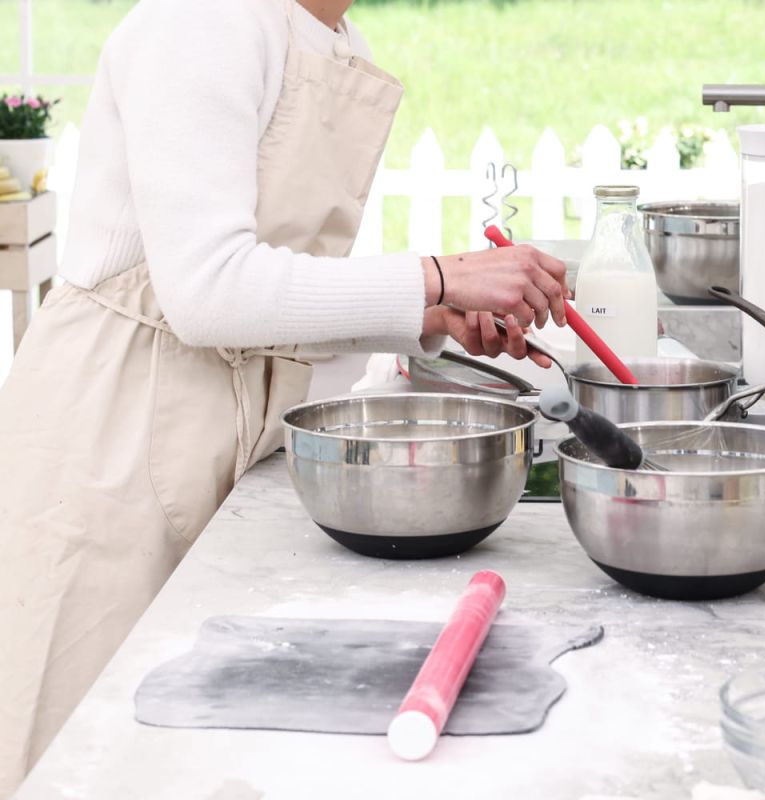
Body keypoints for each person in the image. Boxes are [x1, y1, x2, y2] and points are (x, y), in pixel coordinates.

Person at [0, 0, 566, 792]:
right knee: (74, 751)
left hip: (216, 436)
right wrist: (435, 277)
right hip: (107, 441)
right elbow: (208, 292)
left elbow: (271, 286)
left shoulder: (330, 36)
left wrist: (426, 316)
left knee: (178, 760)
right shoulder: (202, 20)